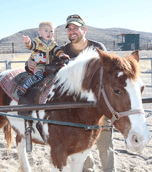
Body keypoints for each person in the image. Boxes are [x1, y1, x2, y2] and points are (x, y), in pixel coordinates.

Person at [61, 14, 116, 172]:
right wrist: (28, 63)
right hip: (77, 109)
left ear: (84, 29)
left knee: (105, 145)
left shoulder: (97, 48)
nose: (72, 31)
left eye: (76, 28)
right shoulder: (63, 51)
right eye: (69, 29)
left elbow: (109, 75)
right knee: (81, 147)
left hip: (99, 106)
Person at [17, 21, 69, 98]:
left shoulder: (53, 44)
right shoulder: (37, 42)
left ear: (53, 33)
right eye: (46, 30)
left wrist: (62, 55)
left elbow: (57, 50)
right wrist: (28, 42)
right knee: (39, 75)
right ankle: (24, 86)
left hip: (49, 67)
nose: (49, 33)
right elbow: (32, 46)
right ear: (40, 32)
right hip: (38, 65)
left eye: (51, 31)